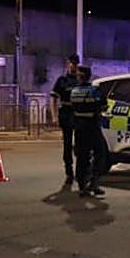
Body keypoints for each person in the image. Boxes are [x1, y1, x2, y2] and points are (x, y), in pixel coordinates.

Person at [68, 66, 107, 197]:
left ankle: (82, 186)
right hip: (93, 126)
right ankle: (94, 182)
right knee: (100, 153)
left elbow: (73, 108)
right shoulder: (95, 91)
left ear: (80, 77)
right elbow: (103, 106)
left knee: (81, 157)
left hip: (79, 127)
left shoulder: (74, 92)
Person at [50, 54, 81, 184]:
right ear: (68, 64)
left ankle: (81, 170)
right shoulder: (62, 80)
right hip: (66, 113)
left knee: (80, 144)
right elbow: (53, 98)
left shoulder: (81, 80)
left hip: (79, 114)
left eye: (75, 63)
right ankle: (69, 171)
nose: (73, 65)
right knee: (67, 144)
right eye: (72, 63)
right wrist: (54, 115)